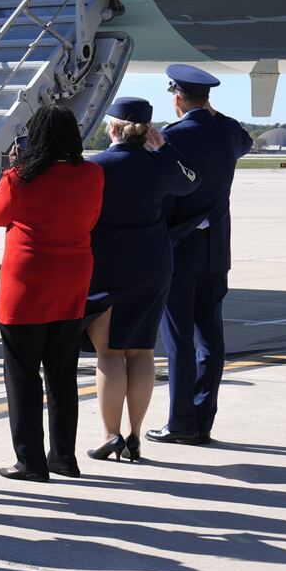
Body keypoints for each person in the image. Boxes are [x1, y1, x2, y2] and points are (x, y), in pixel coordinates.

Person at [0, 104, 103, 481]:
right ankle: (63, 457)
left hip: (27, 286)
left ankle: (30, 461)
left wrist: (9, 171)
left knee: (22, 375)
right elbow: (91, 219)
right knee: (62, 376)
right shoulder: (93, 174)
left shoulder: (19, 178)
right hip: (71, 282)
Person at [82, 97, 199, 463]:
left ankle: (110, 434)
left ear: (112, 128)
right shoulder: (159, 165)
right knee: (143, 352)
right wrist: (164, 147)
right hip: (153, 263)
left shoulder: (96, 166)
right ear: (147, 131)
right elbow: (191, 180)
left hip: (109, 265)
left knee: (111, 354)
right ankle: (134, 437)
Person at [149, 65, 255, 445]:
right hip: (215, 249)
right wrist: (214, 114)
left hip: (179, 246)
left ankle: (180, 422)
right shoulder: (226, 132)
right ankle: (202, 419)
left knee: (178, 340)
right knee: (210, 337)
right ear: (207, 100)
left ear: (177, 98)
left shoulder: (171, 138)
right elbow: (246, 139)